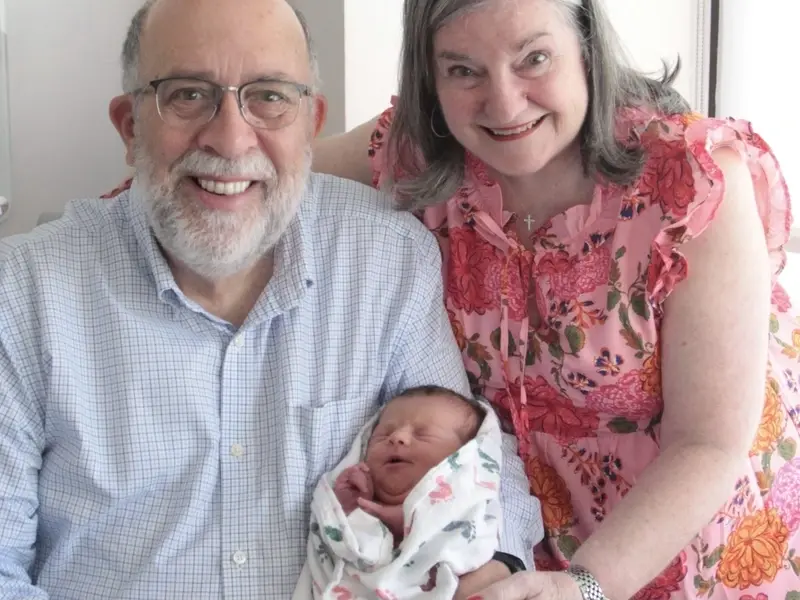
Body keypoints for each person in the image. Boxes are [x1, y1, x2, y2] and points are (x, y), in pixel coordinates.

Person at [0, 0, 544, 598]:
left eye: (269, 96)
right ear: (131, 126)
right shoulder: (22, 294)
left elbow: (472, 460)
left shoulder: (388, 260)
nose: (232, 139)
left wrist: (499, 569)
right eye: (186, 94)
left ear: (311, 124)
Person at [310, 0, 800, 598]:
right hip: (526, 550)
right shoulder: (415, 153)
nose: (506, 103)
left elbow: (709, 445)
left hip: (696, 545)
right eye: (464, 71)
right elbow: (273, 170)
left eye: (534, 58)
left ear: (587, 47)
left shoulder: (692, 183)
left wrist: (586, 586)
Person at [295, 386, 505, 598]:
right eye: (383, 434)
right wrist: (350, 509)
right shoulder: (359, 500)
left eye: (423, 434)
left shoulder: (468, 504)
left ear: (463, 457)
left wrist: (411, 521)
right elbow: (348, 549)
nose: (397, 437)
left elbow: (468, 543)